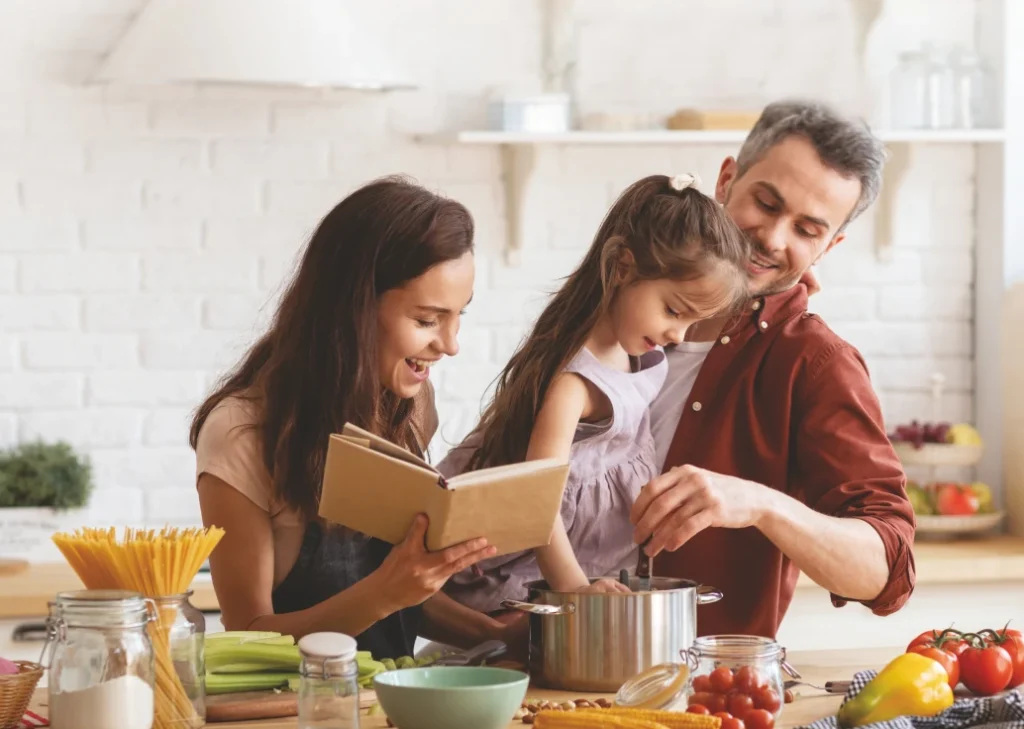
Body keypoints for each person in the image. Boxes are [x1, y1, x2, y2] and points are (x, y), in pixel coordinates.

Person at [190, 177, 511, 659]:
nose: (450, 344)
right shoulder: (242, 435)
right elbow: (245, 633)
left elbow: (401, 595)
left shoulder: (408, 406)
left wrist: (499, 634)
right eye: (427, 320)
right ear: (353, 309)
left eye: (458, 315)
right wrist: (386, 593)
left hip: (390, 701)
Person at [629, 100, 917, 638]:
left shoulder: (815, 364)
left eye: (808, 230)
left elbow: (887, 569)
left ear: (830, 246)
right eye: (766, 202)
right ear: (726, 180)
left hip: (694, 697)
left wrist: (760, 503)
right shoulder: (617, 296)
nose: (774, 239)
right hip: (530, 658)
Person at [435, 173, 752, 613]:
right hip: (534, 584)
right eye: (673, 310)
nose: (677, 334)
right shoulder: (575, 384)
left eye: (690, 323)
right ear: (622, 268)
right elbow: (535, 501)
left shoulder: (635, 355)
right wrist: (576, 593)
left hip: (594, 571)